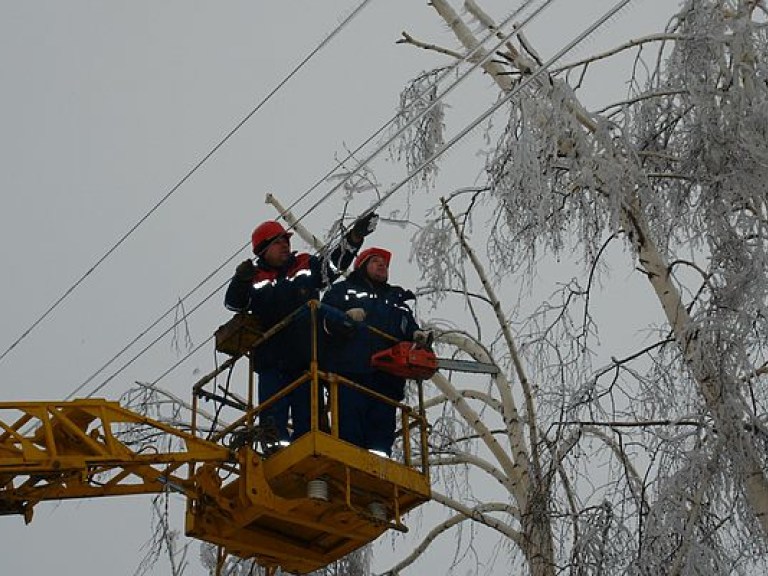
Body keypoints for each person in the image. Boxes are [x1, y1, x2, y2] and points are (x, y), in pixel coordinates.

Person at [225, 213, 378, 446]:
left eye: (286, 240)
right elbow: (233, 303)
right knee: (272, 423)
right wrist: (240, 280)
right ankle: (275, 454)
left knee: (309, 419)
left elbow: (333, 266)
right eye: (278, 242)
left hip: (307, 358)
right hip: (272, 362)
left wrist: (354, 238)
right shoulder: (255, 279)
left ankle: (310, 450)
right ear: (263, 250)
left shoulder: (305, 265)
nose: (285, 245)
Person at [321, 247, 430, 457]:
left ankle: (378, 471)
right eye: (376, 261)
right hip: (351, 375)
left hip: (387, 381)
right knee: (349, 433)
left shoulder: (396, 301)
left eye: (385, 263)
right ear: (362, 266)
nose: (382, 265)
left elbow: (408, 328)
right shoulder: (343, 291)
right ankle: (349, 466)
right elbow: (323, 320)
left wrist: (417, 336)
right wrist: (344, 318)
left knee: (380, 441)